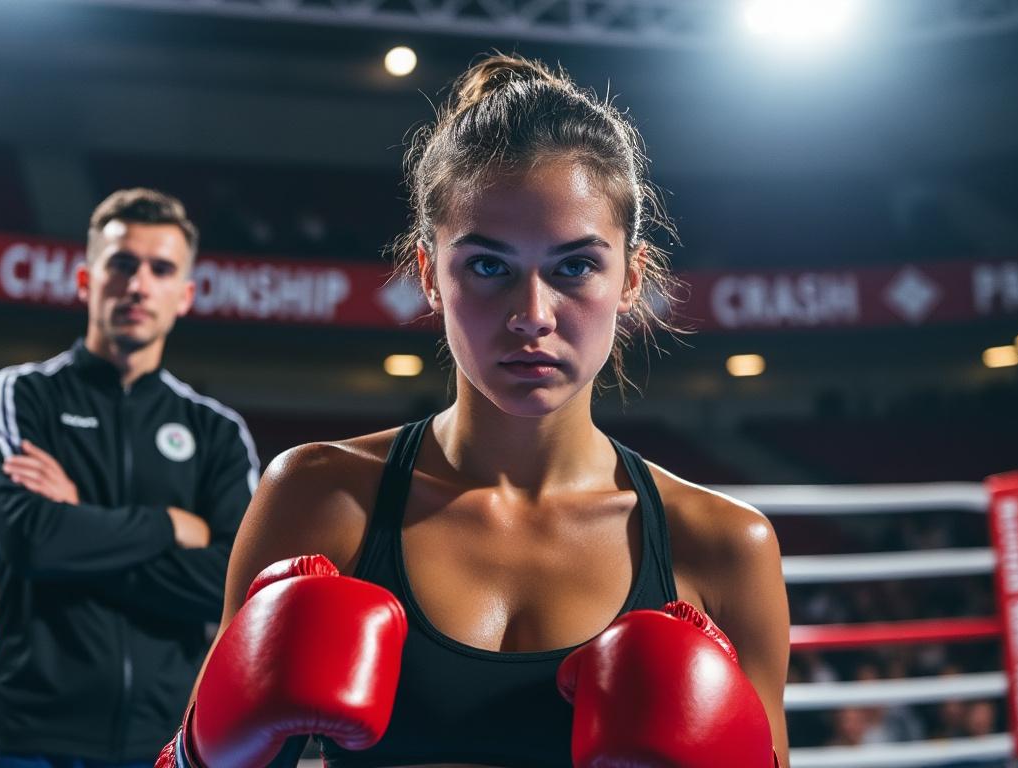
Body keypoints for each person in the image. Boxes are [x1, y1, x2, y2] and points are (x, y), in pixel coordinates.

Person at [161, 54, 790, 768]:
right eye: (488, 266)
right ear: (430, 274)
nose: (532, 315)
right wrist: (213, 750)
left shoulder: (725, 546)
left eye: (575, 266)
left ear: (631, 279)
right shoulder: (319, 495)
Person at [0, 188, 260, 767]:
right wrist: (170, 525)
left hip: (165, 742)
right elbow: (34, 539)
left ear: (184, 296)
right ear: (86, 280)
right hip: (34, 738)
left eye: (160, 270)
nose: (138, 284)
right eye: (122, 264)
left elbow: (231, 585)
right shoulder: (21, 394)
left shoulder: (217, 432)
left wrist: (79, 528)